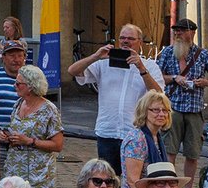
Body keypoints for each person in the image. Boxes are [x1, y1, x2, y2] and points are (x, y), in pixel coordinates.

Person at [67, 23, 165, 172]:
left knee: (133, 178)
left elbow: (158, 94)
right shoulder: (103, 64)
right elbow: (72, 71)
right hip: (107, 132)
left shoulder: (149, 66)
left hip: (134, 133)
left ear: (140, 42)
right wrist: (95, 56)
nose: (126, 41)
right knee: (108, 179)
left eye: (131, 38)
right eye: (122, 38)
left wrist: (141, 69)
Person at [157, 18, 208, 188]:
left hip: (195, 109)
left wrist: (206, 81)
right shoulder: (168, 52)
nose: (178, 34)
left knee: (193, 154)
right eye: (176, 31)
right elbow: (158, 77)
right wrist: (175, 78)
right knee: (170, 151)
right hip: (173, 108)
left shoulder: (203, 54)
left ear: (192, 33)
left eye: (182, 31)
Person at [121, 90, 179, 188]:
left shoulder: (156, 136)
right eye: (156, 110)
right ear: (144, 111)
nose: (161, 114)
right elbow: (133, 181)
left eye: (165, 110)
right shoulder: (137, 139)